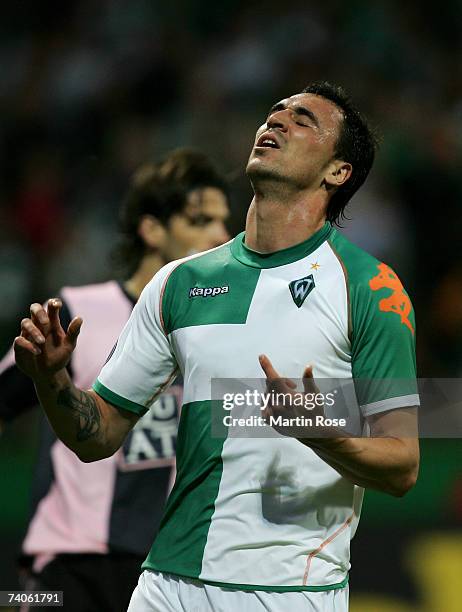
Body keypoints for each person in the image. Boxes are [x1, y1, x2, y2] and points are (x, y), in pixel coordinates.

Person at [14, 82, 419, 612]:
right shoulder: (178, 283)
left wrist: (324, 434)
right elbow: (98, 435)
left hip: (293, 591)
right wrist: (52, 380)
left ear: (337, 172)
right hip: (166, 583)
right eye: (275, 112)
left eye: (303, 120)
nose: (277, 122)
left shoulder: (369, 288)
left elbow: (403, 466)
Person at [0, 148, 230, 611]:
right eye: (200, 221)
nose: (221, 237)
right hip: (66, 566)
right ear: (151, 230)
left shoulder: (222, 334)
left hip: (167, 573)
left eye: (224, 222)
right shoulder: (76, 312)